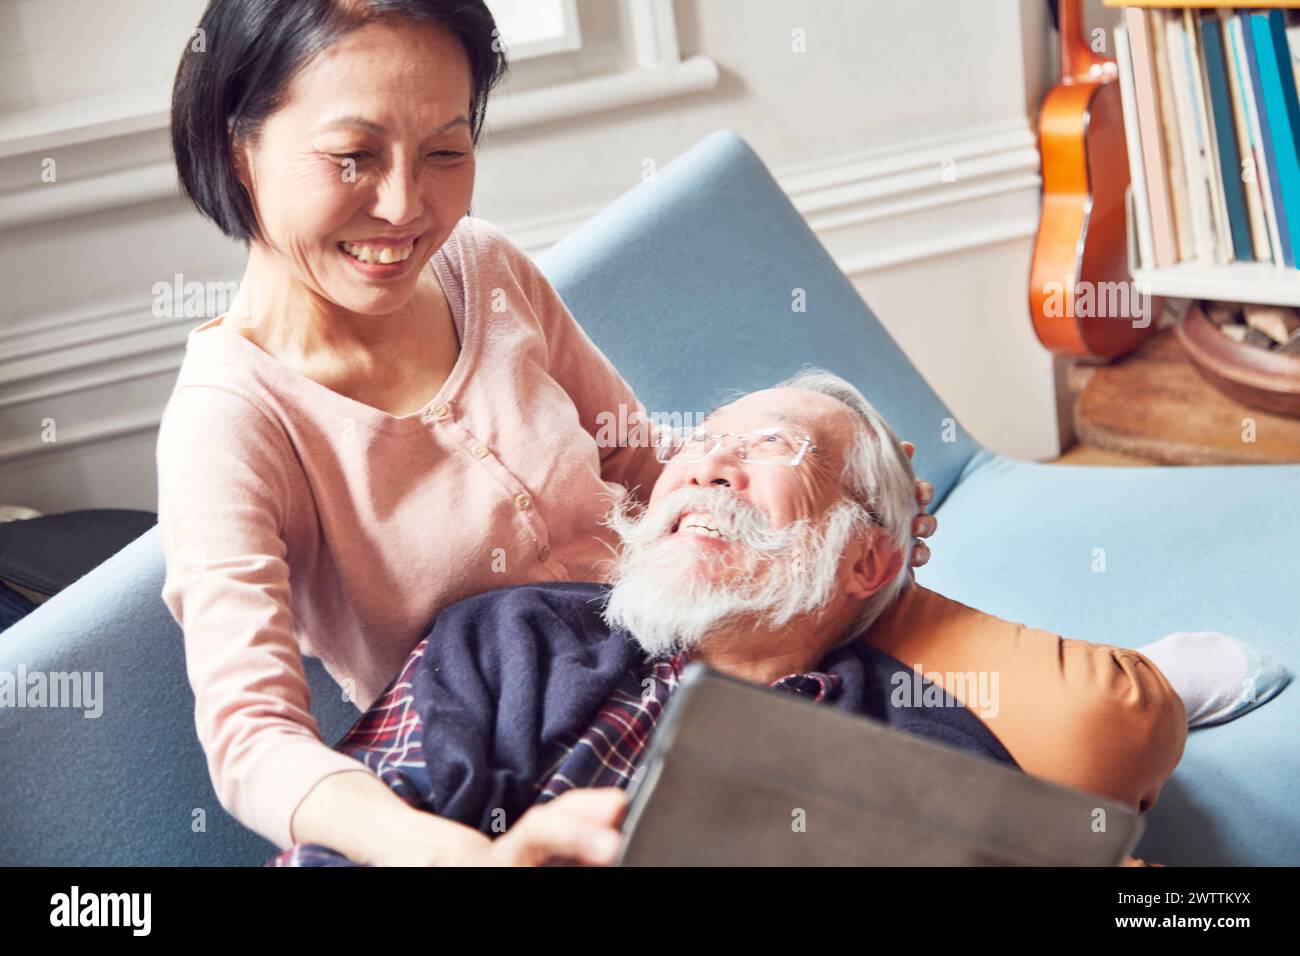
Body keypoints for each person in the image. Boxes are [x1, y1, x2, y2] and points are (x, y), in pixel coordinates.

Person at [157, 0, 941, 865]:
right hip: (503, 769)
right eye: (352, 156)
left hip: (710, 673)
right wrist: (465, 858)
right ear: (240, 145)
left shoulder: (482, 265)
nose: (405, 206)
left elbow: (646, 468)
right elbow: (253, 741)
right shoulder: (230, 422)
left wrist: (846, 506)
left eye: (448, 151)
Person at [269, 371, 1188, 866]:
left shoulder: (923, 740)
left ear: (864, 557)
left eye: (771, 448)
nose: (708, 467)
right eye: (702, 444)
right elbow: (342, 843)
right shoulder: (513, 635)